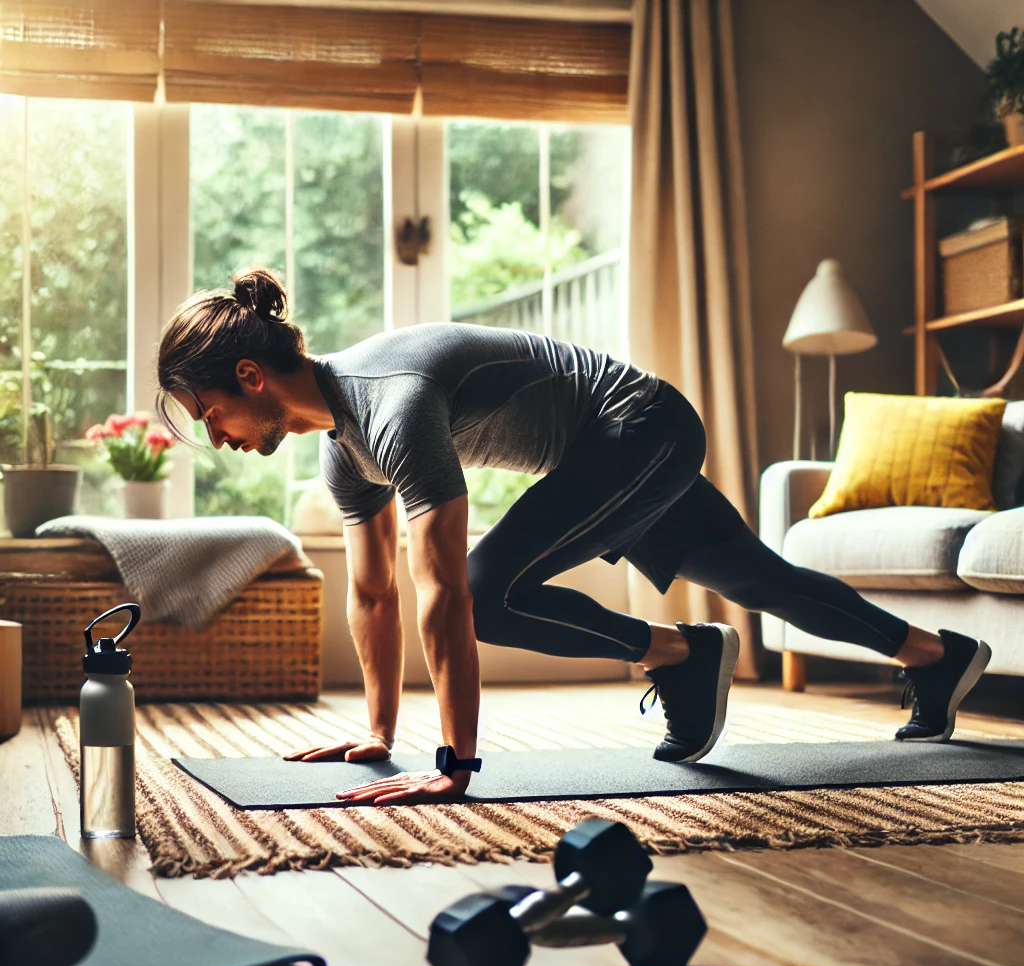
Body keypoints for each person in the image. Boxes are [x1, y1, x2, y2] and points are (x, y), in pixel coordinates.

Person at [156, 268, 992, 807]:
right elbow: (374, 593)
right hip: (602, 453)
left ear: (250, 377)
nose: (217, 434)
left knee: (486, 590)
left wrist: (454, 765)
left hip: (644, 427)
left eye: (210, 414)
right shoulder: (346, 454)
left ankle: (683, 654)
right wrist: (378, 731)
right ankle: (935, 655)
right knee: (761, 580)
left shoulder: (393, 402)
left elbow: (444, 591)